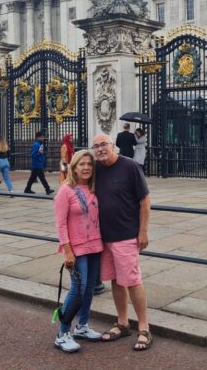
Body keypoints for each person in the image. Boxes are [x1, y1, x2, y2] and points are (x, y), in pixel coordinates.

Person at [91, 133, 153, 351]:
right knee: (116, 281)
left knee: (133, 280)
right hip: (104, 237)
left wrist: (143, 231)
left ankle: (144, 327)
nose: (100, 149)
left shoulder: (130, 167)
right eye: (96, 146)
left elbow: (145, 200)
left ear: (113, 146)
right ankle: (123, 322)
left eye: (104, 145)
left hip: (126, 234)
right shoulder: (96, 169)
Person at [53, 150, 103, 353]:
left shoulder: (93, 188)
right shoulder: (65, 191)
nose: (86, 168)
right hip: (76, 248)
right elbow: (60, 224)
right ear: (73, 167)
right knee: (77, 289)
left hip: (95, 245)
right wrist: (68, 251)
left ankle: (82, 326)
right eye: (81, 164)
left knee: (89, 288)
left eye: (89, 164)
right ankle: (62, 333)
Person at [25, 131, 53, 195]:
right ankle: (47, 189)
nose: (43, 138)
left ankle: (27, 189)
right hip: (37, 164)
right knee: (42, 177)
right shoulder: (36, 144)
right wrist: (39, 158)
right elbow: (34, 155)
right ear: (38, 137)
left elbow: (41, 154)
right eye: (42, 137)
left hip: (39, 164)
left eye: (43, 137)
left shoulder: (40, 144)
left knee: (32, 178)